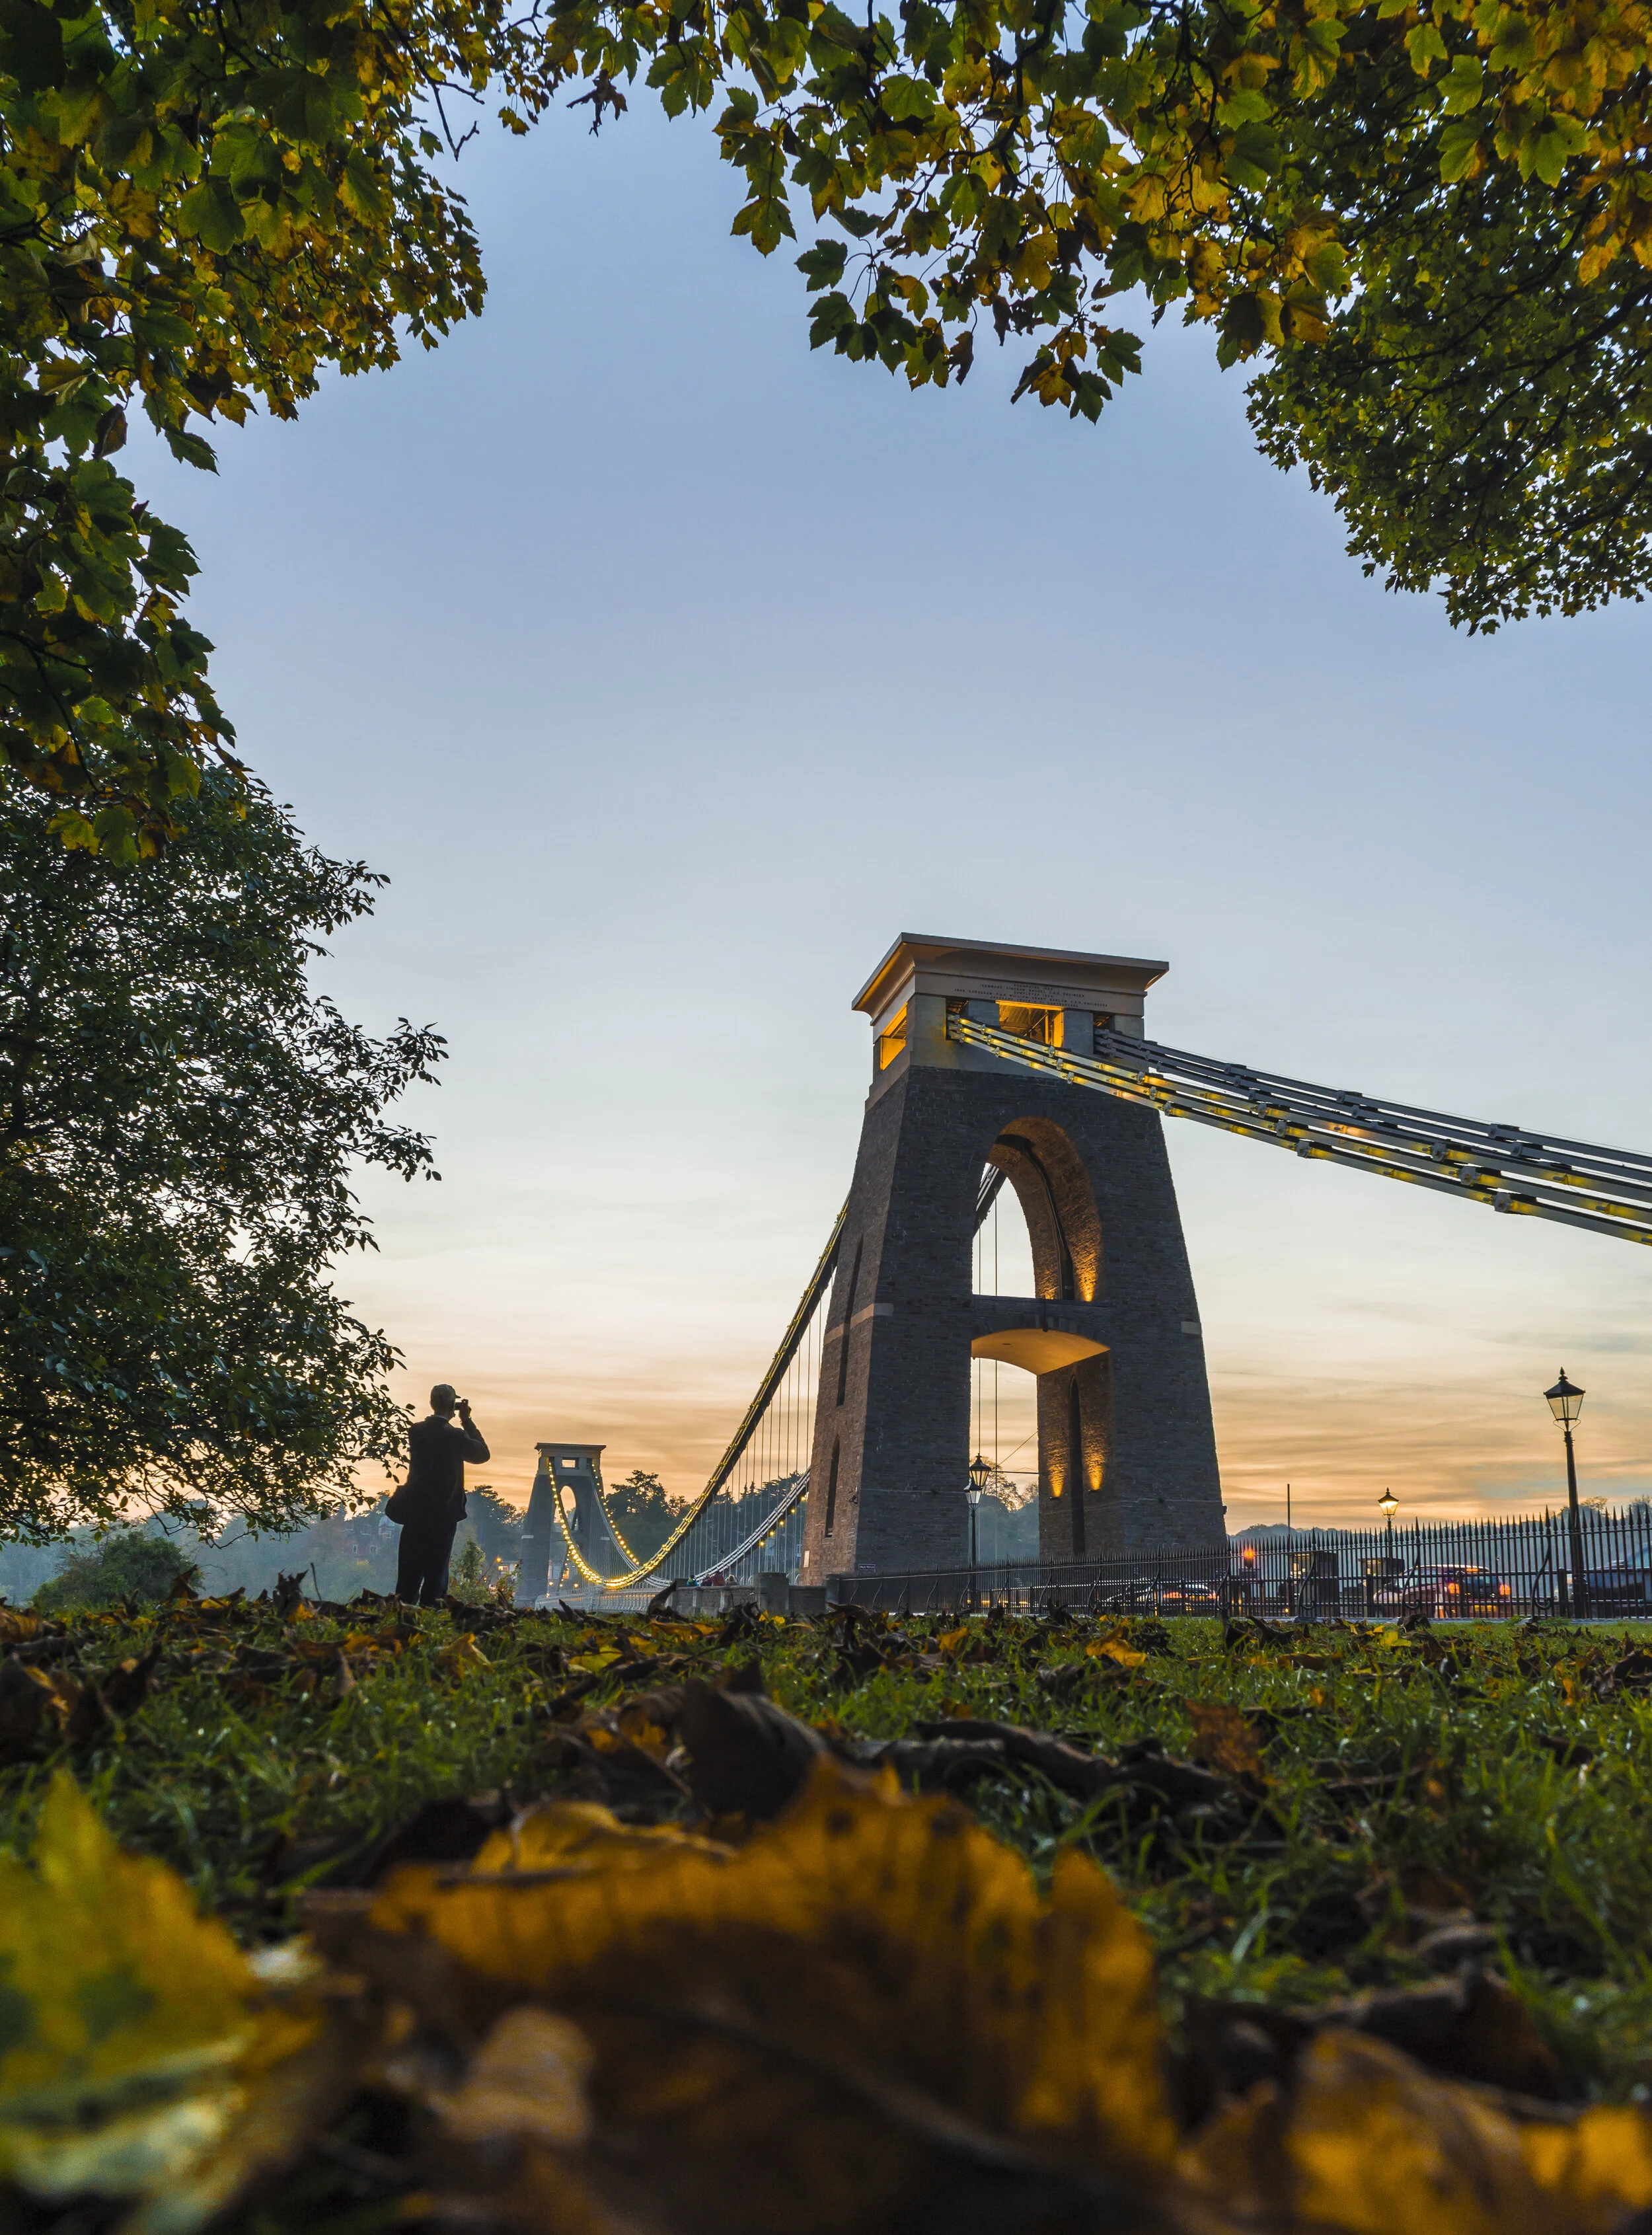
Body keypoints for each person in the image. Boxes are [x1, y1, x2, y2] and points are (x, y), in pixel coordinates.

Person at [394, 1384, 490, 1606]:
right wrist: (466, 1421)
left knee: (409, 1571)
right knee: (436, 1574)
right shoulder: (455, 1436)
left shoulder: (416, 1431)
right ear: (453, 1407)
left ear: (431, 1403)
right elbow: (482, 1455)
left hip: (415, 1511)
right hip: (443, 1513)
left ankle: (401, 1615)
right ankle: (431, 1616)